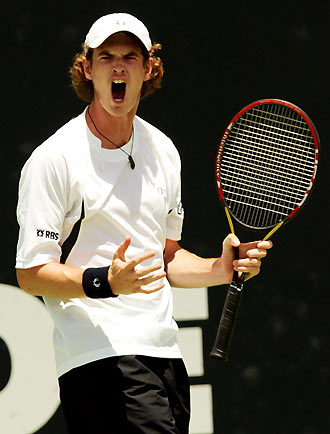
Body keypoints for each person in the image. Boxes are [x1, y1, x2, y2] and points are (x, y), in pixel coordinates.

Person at [15, 12, 272, 434]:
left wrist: (220, 268)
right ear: (87, 67)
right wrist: (104, 281)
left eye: (130, 57)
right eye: (106, 57)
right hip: (98, 358)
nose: (118, 67)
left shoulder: (164, 151)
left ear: (149, 67)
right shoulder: (53, 159)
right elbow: (30, 273)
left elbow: (166, 258)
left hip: (165, 355)